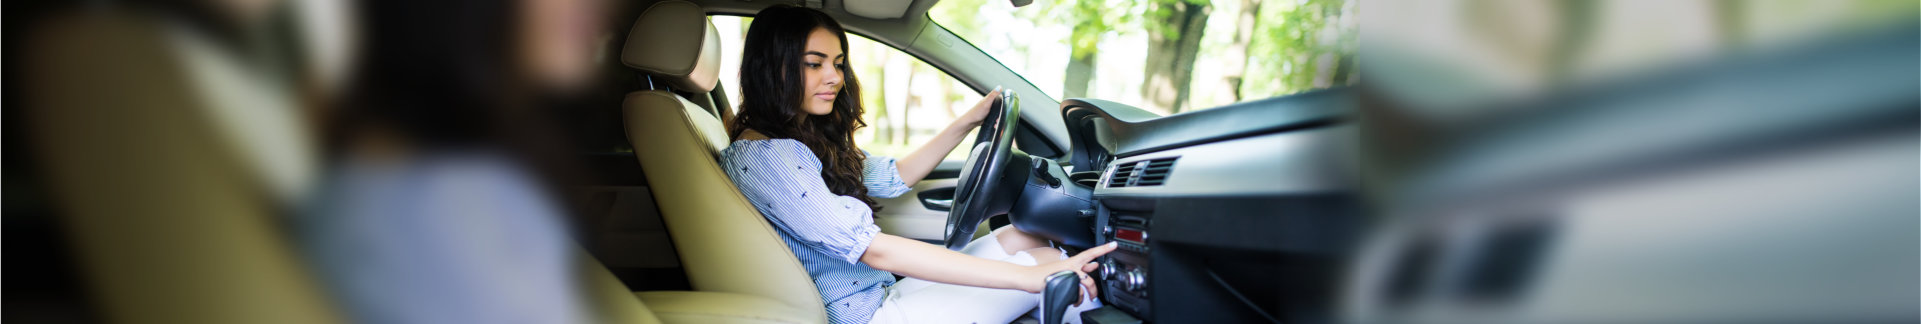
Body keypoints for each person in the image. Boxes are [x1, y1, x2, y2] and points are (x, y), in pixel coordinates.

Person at [720, 6, 1117, 324]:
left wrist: (968, 121)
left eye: (838, 63)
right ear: (774, 68)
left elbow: (893, 176)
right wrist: (1028, 278)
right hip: (863, 315)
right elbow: (873, 251)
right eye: (814, 63)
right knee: (1053, 271)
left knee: (1027, 237)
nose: (835, 78)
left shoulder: (799, 139)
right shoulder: (766, 156)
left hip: (877, 292)